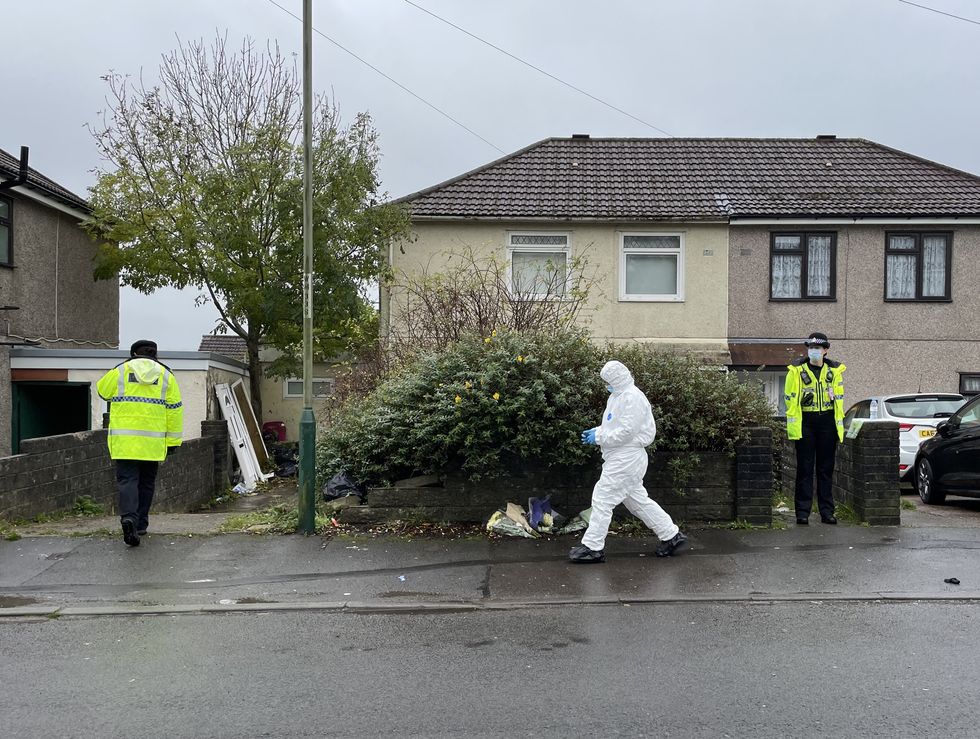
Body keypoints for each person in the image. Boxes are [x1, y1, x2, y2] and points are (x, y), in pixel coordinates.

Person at [568, 360, 687, 563]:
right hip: (622, 457)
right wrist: (598, 431)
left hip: (626, 458)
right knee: (637, 501)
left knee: (602, 499)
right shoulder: (618, 396)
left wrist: (599, 437)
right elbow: (615, 425)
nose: (606, 385)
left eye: (608, 381)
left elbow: (625, 432)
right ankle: (671, 535)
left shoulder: (632, 397)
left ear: (616, 378)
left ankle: (592, 547)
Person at [97, 340, 183, 546]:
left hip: (124, 442)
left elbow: (102, 391)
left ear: (134, 353)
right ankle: (142, 525)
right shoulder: (166, 375)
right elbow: (175, 410)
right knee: (146, 483)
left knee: (127, 481)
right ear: (155, 354)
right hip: (152, 444)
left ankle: (128, 518)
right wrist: (173, 442)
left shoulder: (121, 370)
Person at [784, 331, 846, 525]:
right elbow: (790, 400)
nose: (813, 351)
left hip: (827, 421)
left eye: (817, 348)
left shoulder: (835, 370)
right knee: (804, 468)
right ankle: (802, 512)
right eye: (811, 348)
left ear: (825, 350)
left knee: (825, 469)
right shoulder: (796, 370)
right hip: (806, 422)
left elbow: (839, 400)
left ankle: (826, 512)